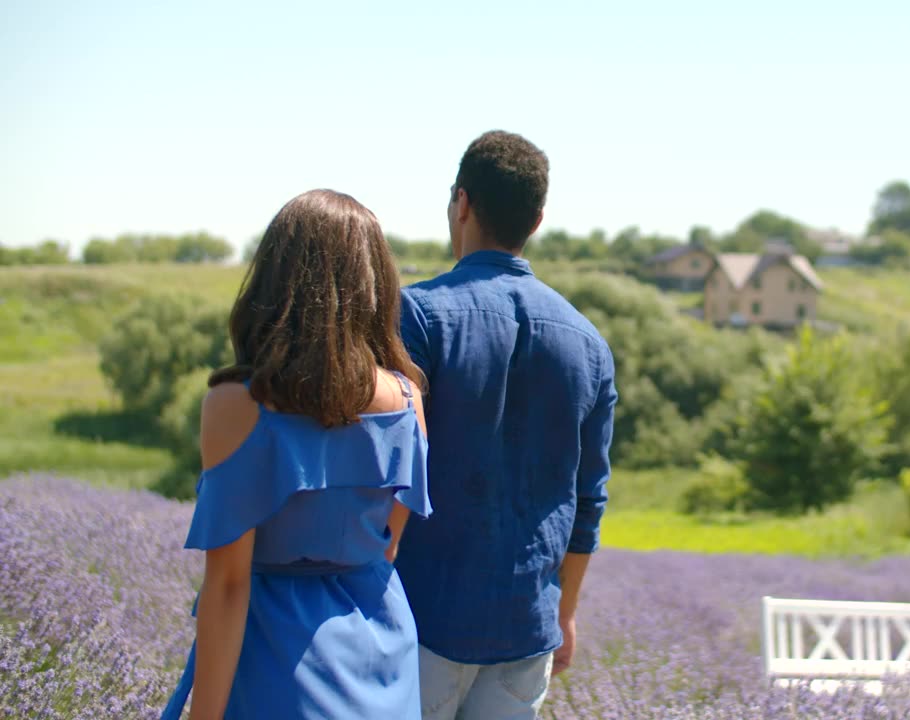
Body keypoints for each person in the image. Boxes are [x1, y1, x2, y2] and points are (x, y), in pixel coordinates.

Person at [160, 189, 431, 720]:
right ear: (374, 283)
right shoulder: (407, 398)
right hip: (381, 659)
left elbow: (230, 582)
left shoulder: (235, 405)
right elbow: (387, 546)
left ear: (273, 278)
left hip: (274, 661)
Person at [396, 130, 617, 719]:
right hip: (527, 627)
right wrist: (564, 613)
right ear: (537, 220)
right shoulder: (591, 345)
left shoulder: (416, 315)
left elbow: (381, 466)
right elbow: (587, 500)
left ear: (461, 203)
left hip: (422, 618)